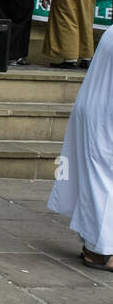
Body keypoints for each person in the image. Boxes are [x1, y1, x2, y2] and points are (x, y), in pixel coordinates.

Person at [49, 28, 113, 268]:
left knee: (96, 177)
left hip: (97, 109)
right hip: (104, 115)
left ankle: (94, 243)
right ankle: (100, 251)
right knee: (102, 180)